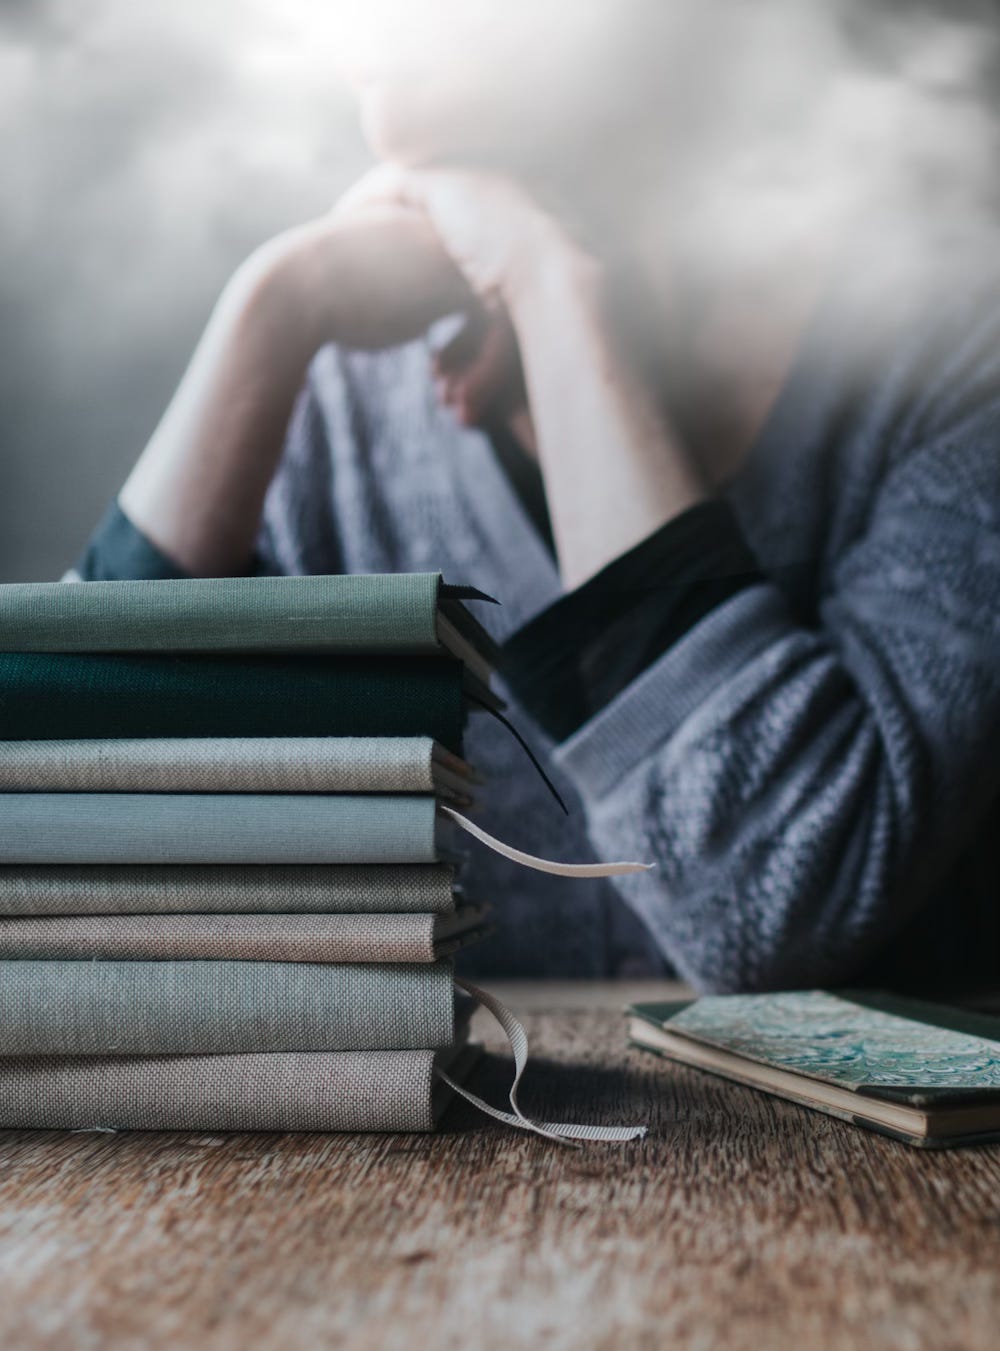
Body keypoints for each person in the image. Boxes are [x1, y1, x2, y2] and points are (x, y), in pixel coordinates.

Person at [71, 1, 1000, 992]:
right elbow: (68, 863)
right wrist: (273, 309)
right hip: (431, 1148)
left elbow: (766, 906)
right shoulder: (342, 368)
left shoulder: (952, 356)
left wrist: (549, 281)